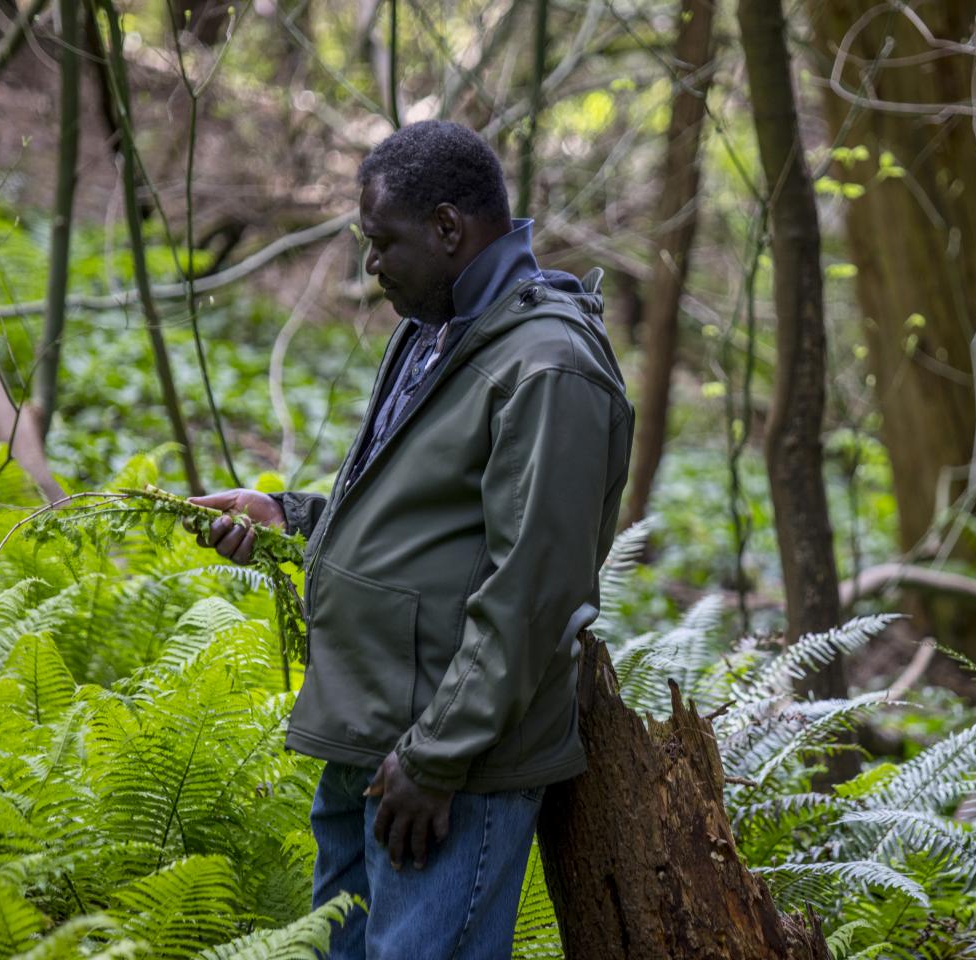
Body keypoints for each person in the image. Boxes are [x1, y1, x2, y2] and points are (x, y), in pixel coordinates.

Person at [187, 119, 633, 959]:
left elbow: (533, 592)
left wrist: (435, 760)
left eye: (381, 242)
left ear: (447, 228)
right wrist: (293, 518)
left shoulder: (547, 368)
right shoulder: (434, 333)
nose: (371, 266)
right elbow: (429, 518)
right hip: (371, 735)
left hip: (447, 769)